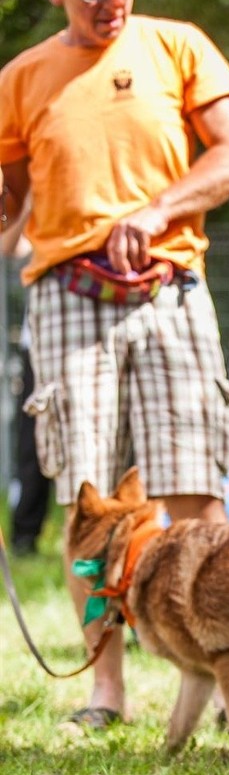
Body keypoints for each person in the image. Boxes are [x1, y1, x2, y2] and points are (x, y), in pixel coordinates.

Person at [0, 0, 229, 730]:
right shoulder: (21, 77)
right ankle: (105, 690)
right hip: (65, 297)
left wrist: (157, 212)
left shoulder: (178, 46)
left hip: (171, 292)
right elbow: (10, 203)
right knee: (86, 499)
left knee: (195, 489)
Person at [1, 200, 52, 556]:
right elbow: (9, 244)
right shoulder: (40, 218)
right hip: (40, 344)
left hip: (86, 340)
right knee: (31, 443)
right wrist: (29, 199)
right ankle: (24, 537)